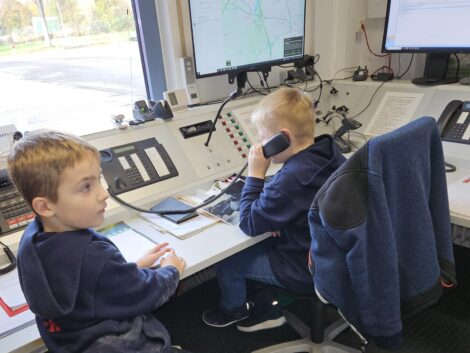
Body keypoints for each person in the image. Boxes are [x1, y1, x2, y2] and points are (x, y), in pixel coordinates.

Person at [8, 130, 187, 353]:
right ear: (44, 206)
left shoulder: (31, 238)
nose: (104, 194)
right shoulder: (94, 255)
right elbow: (144, 292)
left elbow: (85, 287)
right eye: (86, 187)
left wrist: (133, 267)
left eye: (98, 180)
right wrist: (171, 270)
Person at [202, 87, 346, 332]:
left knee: (229, 263)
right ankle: (267, 301)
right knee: (262, 242)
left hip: (305, 268)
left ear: (283, 138)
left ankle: (234, 310)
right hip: (334, 255)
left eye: (262, 137)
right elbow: (302, 202)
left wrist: (255, 173)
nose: (259, 143)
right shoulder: (330, 151)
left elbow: (249, 224)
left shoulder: (290, 181)